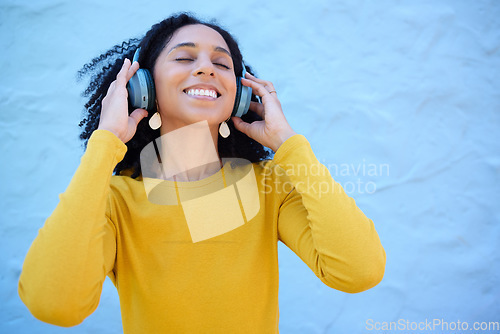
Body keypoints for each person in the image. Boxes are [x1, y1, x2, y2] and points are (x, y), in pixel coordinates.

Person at [18, 12, 386, 333]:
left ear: (240, 96)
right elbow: (54, 305)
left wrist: (289, 144)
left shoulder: (268, 186)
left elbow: (359, 271)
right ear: (143, 88)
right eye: (184, 57)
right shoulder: (115, 200)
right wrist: (105, 143)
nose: (207, 68)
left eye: (222, 64)